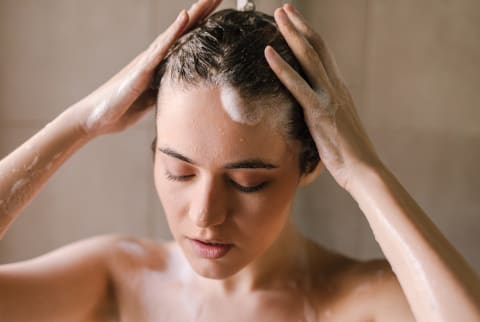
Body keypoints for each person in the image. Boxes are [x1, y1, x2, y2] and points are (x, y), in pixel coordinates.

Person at [0, 1, 479, 321]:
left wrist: (362, 171)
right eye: (179, 171)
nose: (206, 214)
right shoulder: (114, 280)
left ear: (312, 163)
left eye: (248, 181)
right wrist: (79, 123)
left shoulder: (362, 303)